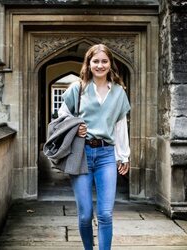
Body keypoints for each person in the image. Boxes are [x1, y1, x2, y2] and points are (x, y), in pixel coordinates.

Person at [58, 44, 131, 250]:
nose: (100, 65)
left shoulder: (118, 92)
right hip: (81, 154)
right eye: (96, 61)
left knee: (106, 214)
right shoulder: (77, 88)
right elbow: (62, 117)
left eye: (104, 61)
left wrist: (123, 156)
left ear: (110, 64)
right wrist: (76, 126)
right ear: (88, 64)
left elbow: (120, 125)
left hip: (106, 155)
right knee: (85, 214)